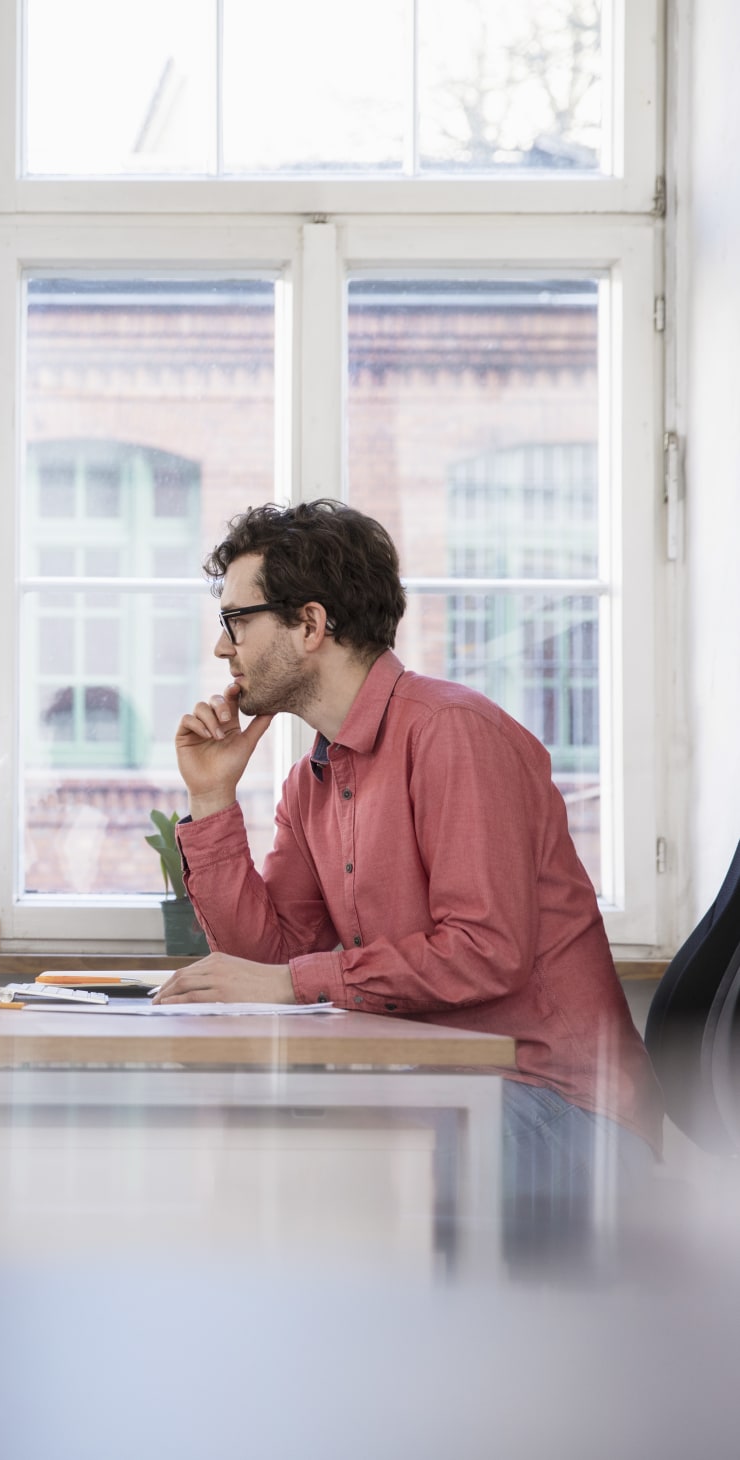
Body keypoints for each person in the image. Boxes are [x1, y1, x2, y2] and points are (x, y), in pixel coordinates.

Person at [154, 499, 662, 1239]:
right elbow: (268, 963)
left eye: (236, 621)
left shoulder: (452, 732)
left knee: (322, 1179)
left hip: (559, 1110)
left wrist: (296, 982)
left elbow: (485, 951)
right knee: (265, 1156)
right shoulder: (312, 778)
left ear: (310, 624)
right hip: (458, 1094)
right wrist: (211, 797)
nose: (222, 649)